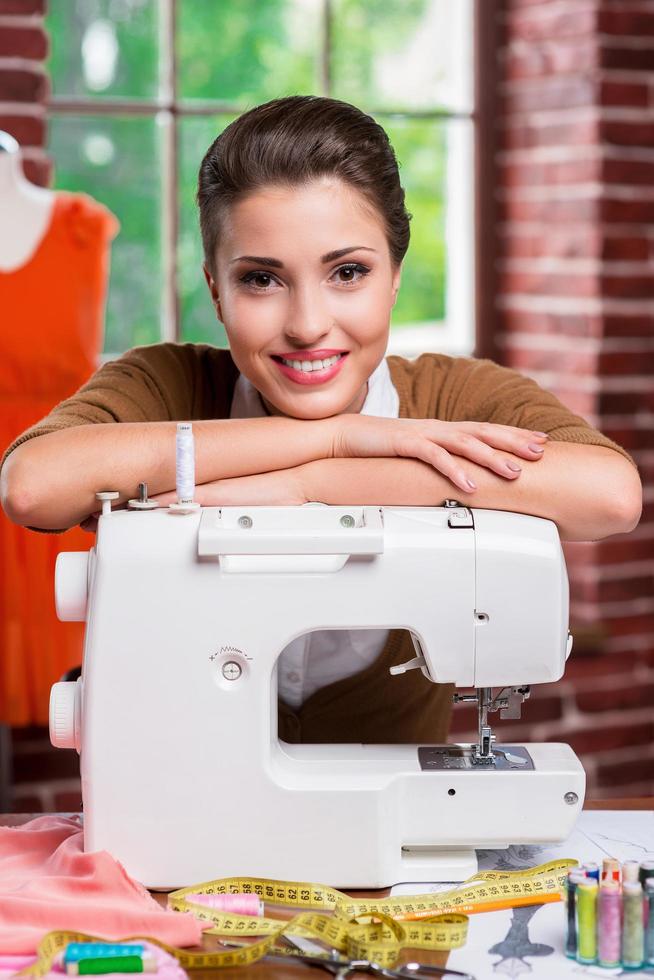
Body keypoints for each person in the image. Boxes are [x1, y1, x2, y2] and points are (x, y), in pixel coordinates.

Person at [0, 95, 642, 744]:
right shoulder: (165, 382)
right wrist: (333, 435)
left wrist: (313, 483)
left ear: (393, 276)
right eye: (261, 280)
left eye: (348, 272)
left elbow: (611, 498)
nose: (307, 325)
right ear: (216, 289)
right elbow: (33, 486)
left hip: (383, 829)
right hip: (187, 831)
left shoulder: (458, 398)